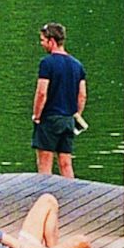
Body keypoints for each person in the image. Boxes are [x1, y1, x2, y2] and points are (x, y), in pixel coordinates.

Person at [31, 22, 87, 178]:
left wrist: (37, 116)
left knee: (45, 164)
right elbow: (82, 95)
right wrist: (76, 114)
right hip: (68, 119)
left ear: (52, 41)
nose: (41, 44)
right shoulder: (77, 65)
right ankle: (71, 196)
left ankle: (45, 195)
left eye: (43, 40)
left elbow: (42, 92)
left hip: (50, 118)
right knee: (66, 163)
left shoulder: (47, 63)